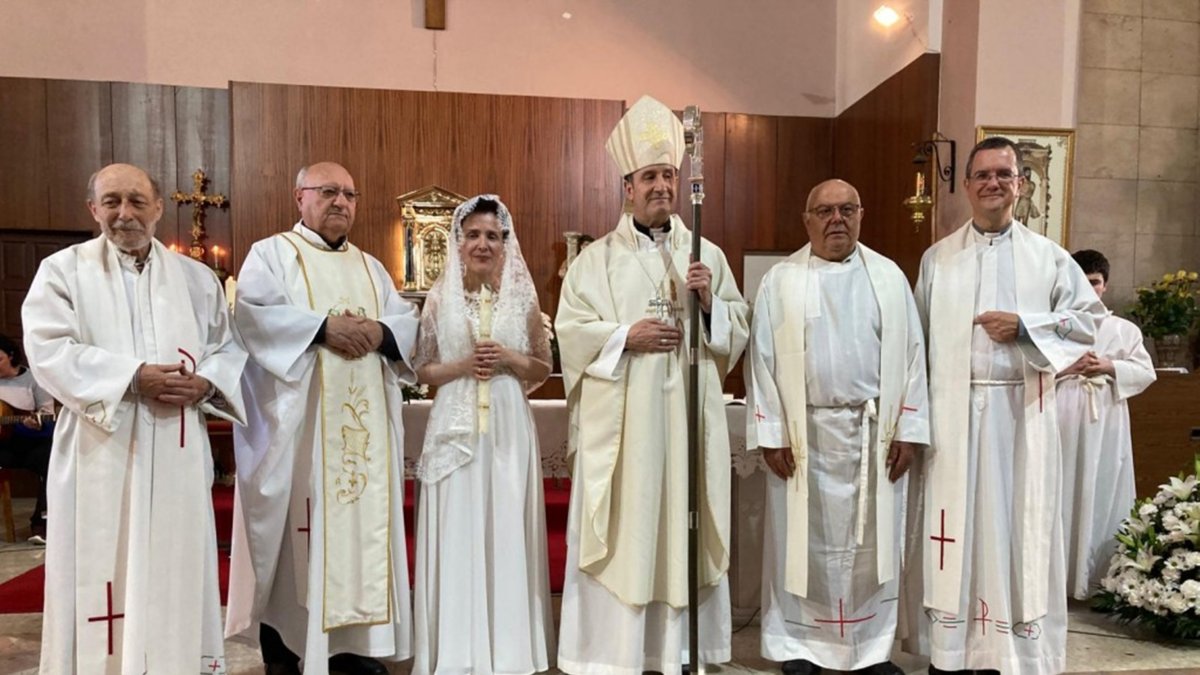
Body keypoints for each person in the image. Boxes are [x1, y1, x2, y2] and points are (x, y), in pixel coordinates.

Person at [22, 162, 247, 673]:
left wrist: (207, 381)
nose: (125, 214)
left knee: (176, 563)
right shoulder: (63, 271)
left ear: (158, 208)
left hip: (177, 446)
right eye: (112, 202)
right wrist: (132, 377)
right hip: (102, 447)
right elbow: (48, 349)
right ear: (93, 210)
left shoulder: (195, 278)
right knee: (103, 569)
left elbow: (226, 347)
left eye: (136, 202)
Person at [555, 94, 751, 674]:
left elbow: (738, 329)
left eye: (669, 173)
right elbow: (570, 332)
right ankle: (614, 654)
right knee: (627, 526)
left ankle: (679, 653)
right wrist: (623, 337)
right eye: (650, 176)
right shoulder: (594, 261)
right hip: (626, 426)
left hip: (687, 420)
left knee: (680, 522)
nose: (662, 184)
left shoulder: (705, 252)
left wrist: (712, 301)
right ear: (627, 188)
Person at [911, 137, 1105, 675]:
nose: (993, 183)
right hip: (953, 418)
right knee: (958, 533)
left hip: (1021, 417)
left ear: (1021, 184)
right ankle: (952, 652)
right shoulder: (938, 259)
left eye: (1005, 174)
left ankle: (1013, 652)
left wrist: (1026, 329)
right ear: (967, 185)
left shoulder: (1051, 259)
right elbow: (917, 344)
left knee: (1015, 530)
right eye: (983, 175)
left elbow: (1088, 324)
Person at [225, 161, 420, 675]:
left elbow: (406, 323)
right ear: (299, 197)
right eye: (328, 191)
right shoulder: (270, 256)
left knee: (360, 538)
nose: (341, 202)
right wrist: (319, 329)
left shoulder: (372, 267)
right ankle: (288, 651)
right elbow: (252, 319)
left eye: (350, 194)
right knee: (295, 546)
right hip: (302, 438)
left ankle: (355, 650)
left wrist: (380, 333)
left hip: (361, 442)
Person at [747, 179, 929, 675]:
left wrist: (909, 429)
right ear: (806, 220)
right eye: (824, 211)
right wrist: (772, 434)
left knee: (872, 547)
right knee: (800, 548)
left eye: (847, 209)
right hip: (805, 437)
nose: (836, 219)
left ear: (861, 215)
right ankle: (799, 647)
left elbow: (915, 357)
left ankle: (869, 650)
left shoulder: (889, 278)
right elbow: (761, 361)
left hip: (875, 435)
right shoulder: (780, 280)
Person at [412, 195, 555, 674]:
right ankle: (457, 650)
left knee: (504, 524)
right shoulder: (438, 298)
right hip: (454, 420)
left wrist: (510, 360)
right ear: (457, 242)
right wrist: (462, 365)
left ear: (505, 244)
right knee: (459, 526)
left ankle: (510, 651)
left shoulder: (523, 299)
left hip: (508, 426)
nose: (482, 244)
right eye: (473, 234)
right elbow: (422, 368)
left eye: (492, 236)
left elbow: (542, 364)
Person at [1056, 249, 1155, 599]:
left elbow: (1145, 372)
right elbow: (1033, 370)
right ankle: (1058, 579)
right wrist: (1068, 368)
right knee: (1062, 490)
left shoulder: (1123, 330)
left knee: (1102, 489)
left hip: (1106, 419)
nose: (1088, 288)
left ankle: (1100, 580)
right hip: (1063, 415)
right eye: (1080, 281)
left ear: (1105, 286)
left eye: (1094, 282)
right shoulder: (1056, 327)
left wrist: (1110, 366)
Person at [0, 334, 55, 542]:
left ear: (11, 356)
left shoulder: (33, 379)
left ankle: (40, 524)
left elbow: (47, 413)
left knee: (51, 458)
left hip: (27, 443)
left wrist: (35, 423)